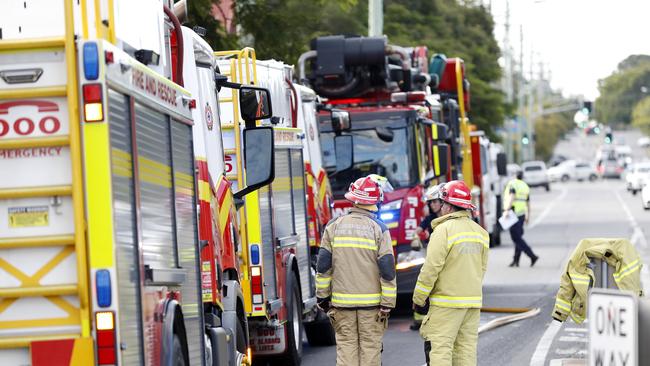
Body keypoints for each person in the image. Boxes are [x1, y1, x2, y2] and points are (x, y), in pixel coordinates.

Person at [316, 175, 397, 366]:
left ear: (353, 198)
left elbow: (323, 267)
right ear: (375, 202)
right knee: (370, 350)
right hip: (372, 307)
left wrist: (323, 298)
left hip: (341, 304)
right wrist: (387, 303)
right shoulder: (380, 229)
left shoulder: (333, 227)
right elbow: (387, 271)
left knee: (346, 349)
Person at [412, 180, 489, 366]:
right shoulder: (481, 233)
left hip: (446, 304)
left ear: (448, 206)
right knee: (466, 351)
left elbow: (431, 268)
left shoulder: (442, 230)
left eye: (443, 203)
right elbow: (482, 269)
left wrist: (419, 297)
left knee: (441, 350)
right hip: (471, 302)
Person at [409, 183, 445, 330]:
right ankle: (419, 319)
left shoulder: (450, 217)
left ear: (443, 202)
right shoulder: (429, 218)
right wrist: (415, 237)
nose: (432, 205)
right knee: (426, 284)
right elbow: (418, 230)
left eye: (435, 201)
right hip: (433, 255)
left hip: (446, 255)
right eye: (431, 202)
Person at [502, 171, 539, 267]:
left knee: (516, 238)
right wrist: (528, 216)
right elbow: (528, 203)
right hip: (522, 215)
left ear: (515, 176)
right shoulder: (525, 186)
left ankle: (532, 256)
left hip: (513, 215)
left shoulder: (513, 184)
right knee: (518, 237)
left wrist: (507, 210)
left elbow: (511, 197)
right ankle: (516, 260)